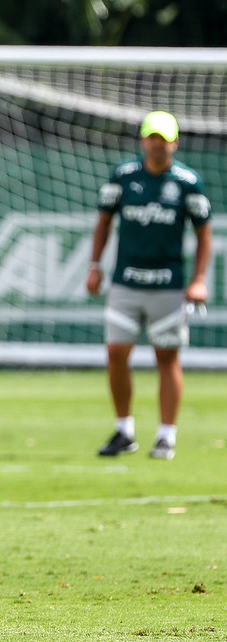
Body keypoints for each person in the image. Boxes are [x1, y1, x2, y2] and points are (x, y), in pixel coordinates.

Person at [86, 111, 211, 460]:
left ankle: (166, 436)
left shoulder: (188, 182)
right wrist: (95, 267)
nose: (158, 144)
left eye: (164, 138)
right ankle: (124, 430)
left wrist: (199, 279)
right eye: (152, 137)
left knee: (167, 357)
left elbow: (204, 234)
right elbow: (103, 223)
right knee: (115, 354)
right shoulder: (123, 177)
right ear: (143, 140)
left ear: (175, 142)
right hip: (125, 283)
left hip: (169, 286)